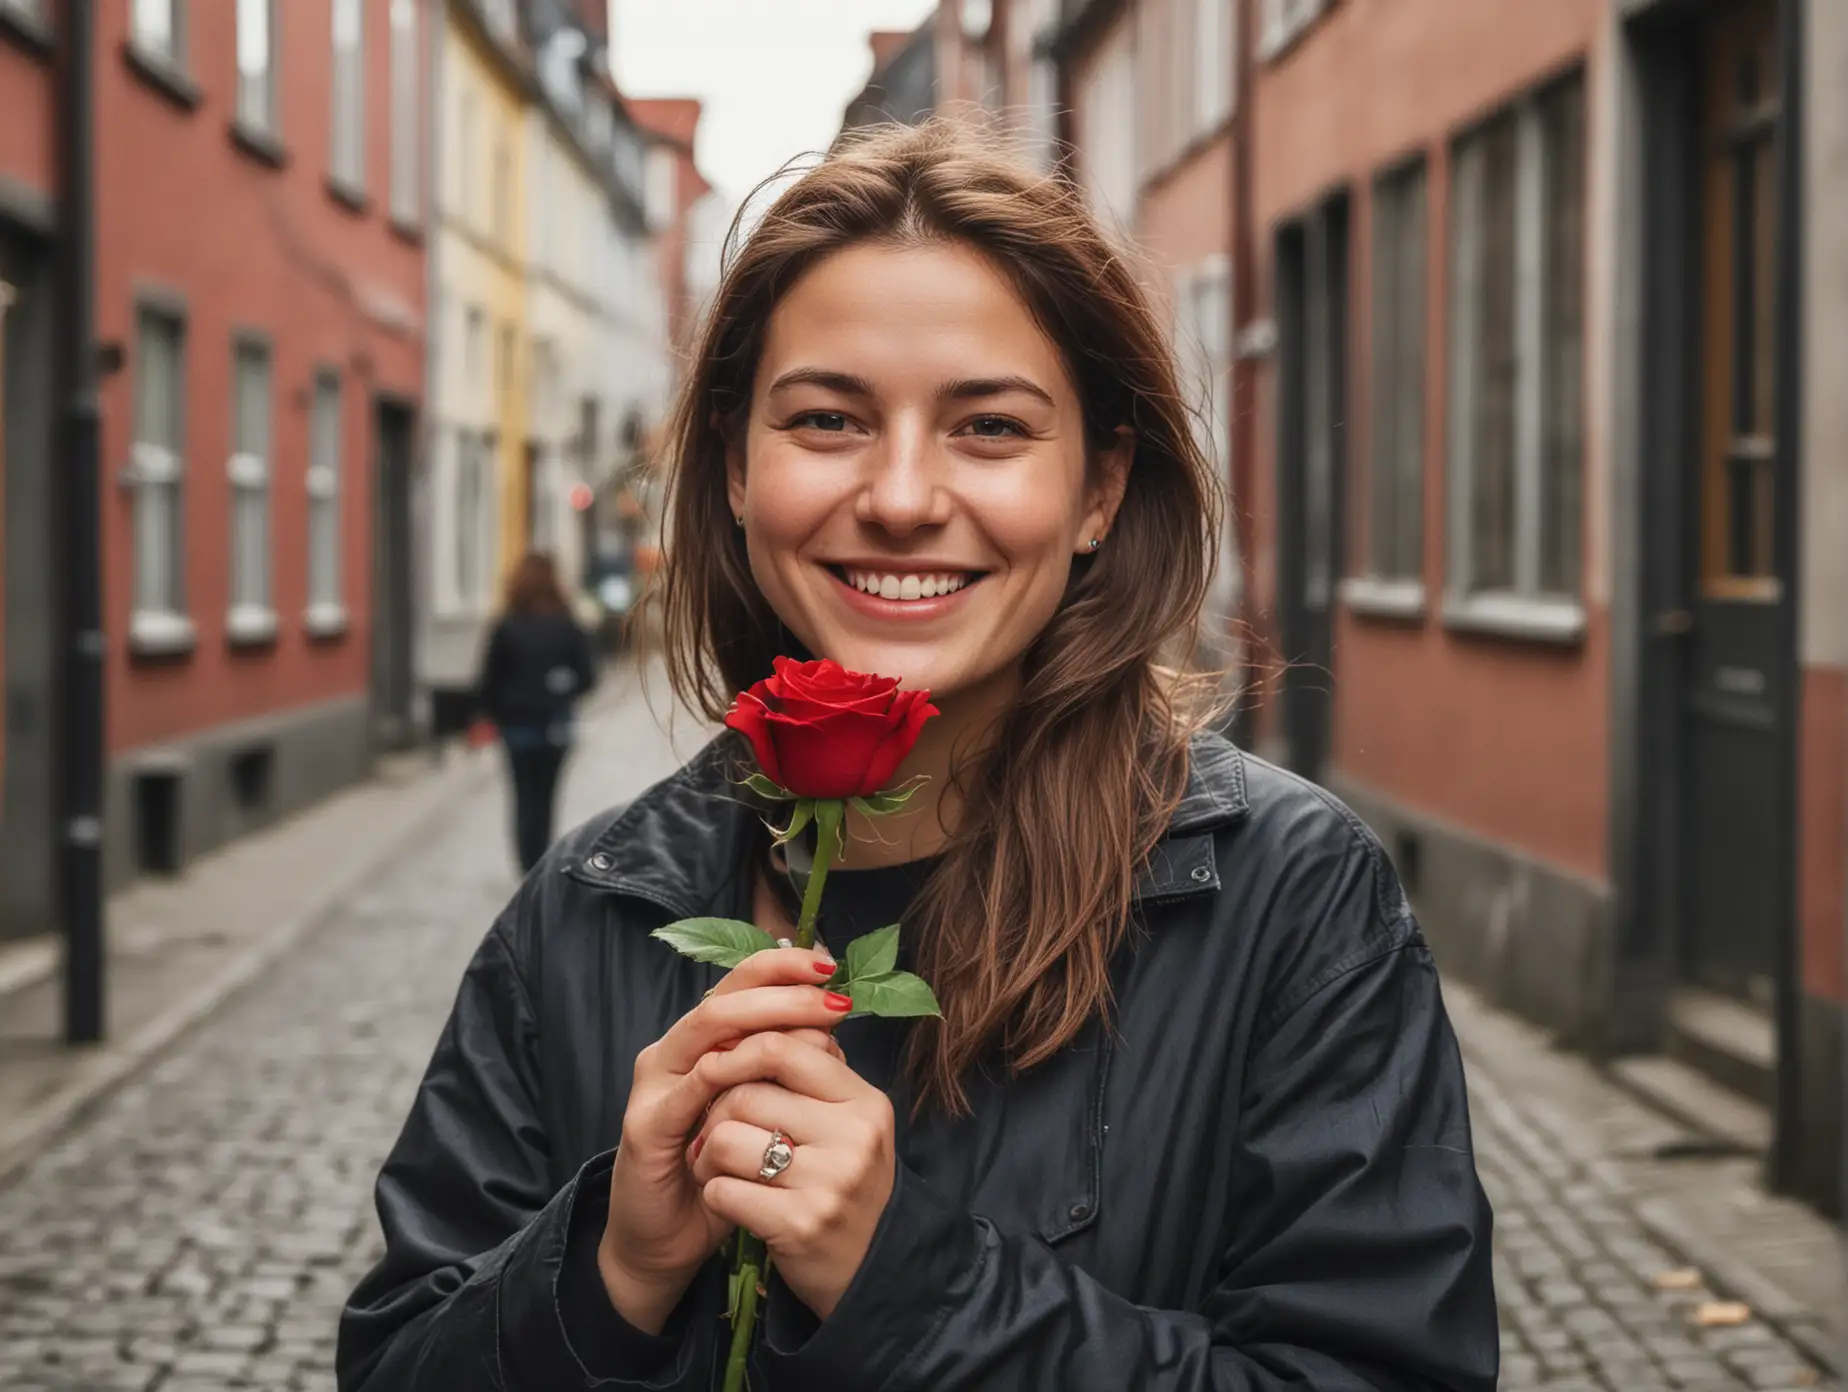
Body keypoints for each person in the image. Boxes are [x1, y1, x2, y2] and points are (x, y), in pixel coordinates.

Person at [339, 120, 1498, 1390]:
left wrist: (906, 1284)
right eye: (829, 418)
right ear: (734, 467)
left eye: (990, 428)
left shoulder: (1285, 901)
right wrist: (608, 1272)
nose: (899, 495)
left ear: (1101, 490)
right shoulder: (590, 914)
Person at [475, 551, 598, 873]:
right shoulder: (566, 623)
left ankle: (526, 867)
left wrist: (492, 714)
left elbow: (488, 680)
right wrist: (561, 689)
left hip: (516, 727)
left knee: (522, 799)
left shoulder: (506, 625)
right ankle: (541, 863)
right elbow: (587, 677)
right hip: (555, 725)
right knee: (545, 798)